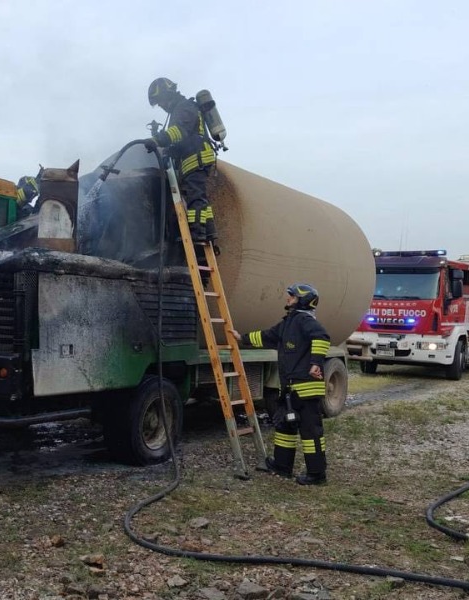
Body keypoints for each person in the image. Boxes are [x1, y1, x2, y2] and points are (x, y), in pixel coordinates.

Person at [231, 283, 332, 485]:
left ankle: (317, 474)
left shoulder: (304, 320)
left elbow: (322, 337)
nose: (288, 299)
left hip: (306, 388)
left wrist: (315, 363)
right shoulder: (289, 322)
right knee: (285, 426)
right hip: (291, 388)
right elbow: (267, 336)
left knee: (310, 432)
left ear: (302, 300)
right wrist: (242, 338)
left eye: (292, 296)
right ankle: (282, 466)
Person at [141, 77, 218, 245]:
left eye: (160, 102)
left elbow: (179, 131)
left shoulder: (184, 107)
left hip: (196, 158)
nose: (161, 106)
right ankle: (209, 232)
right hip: (193, 159)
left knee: (195, 198)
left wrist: (157, 141)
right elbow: (182, 139)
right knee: (199, 198)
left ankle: (197, 235)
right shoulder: (180, 109)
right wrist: (169, 151)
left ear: (167, 95)